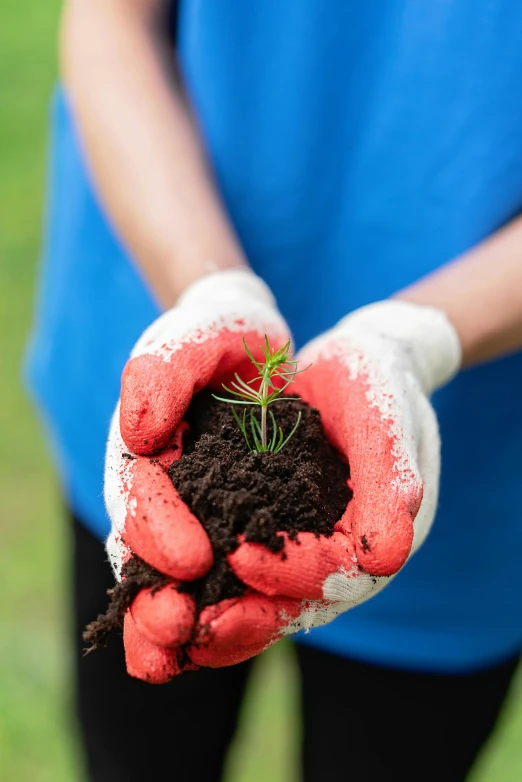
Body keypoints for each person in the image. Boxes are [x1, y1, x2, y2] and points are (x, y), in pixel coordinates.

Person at [26, 0, 522, 779]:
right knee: (137, 747)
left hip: (473, 467)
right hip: (166, 381)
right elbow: (114, 20)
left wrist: (419, 338)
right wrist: (207, 289)